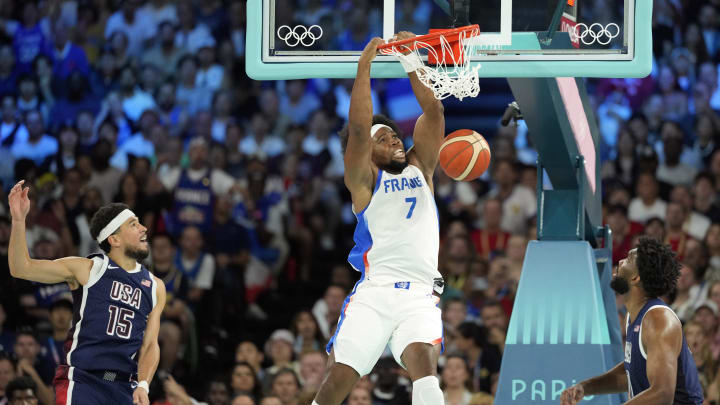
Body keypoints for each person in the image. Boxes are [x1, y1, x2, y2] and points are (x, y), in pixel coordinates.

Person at [313, 32, 446, 405]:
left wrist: (411, 58)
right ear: (367, 152)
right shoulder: (364, 182)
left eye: (395, 136)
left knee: (427, 374)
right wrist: (364, 69)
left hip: (420, 293)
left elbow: (434, 112)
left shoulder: (421, 167)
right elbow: (357, 130)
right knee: (336, 383)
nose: (396, 142)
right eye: (385, 139)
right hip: (376, 292)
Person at [7, 180, 166, 405]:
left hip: (125, 386)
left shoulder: (155, 286)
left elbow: (151, 345)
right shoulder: (89, 269)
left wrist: (143, 384)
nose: (144, 228)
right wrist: (18, 219)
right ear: (114, 239)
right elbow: (21, 268)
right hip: (83, 381)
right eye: (133, 224)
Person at [560, 237, 703, 405]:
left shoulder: (659, 320)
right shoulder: (634, 316)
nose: (620, 261)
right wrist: (585, 387)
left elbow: (663, 393)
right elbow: (628, 374)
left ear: (636, 278)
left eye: (628, 259)